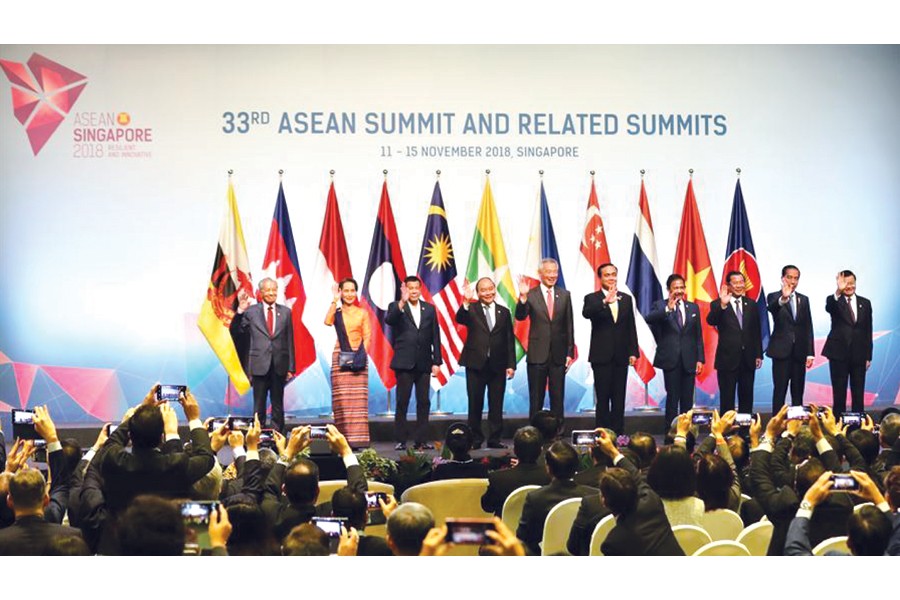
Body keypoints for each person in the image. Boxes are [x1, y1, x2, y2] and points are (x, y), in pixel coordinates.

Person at [100, 386, 216, 512]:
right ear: (162, 437)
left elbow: (113, 440)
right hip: (167, 524)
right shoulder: (176, 467)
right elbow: (206, 457)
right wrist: (192, 419)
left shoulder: (114, 460)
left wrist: (142, 411)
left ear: (130, 436)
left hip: (124, 524)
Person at [592, 429, 684, 556]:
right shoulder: (651, 502)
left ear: (604, 501)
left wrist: (613, 452)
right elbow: (636, 477)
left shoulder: (613, 542)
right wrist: (613, 452)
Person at [456, 277, 516, 449]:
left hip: (498, 365)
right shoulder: (471, 309)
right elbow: (460, 318)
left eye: (490, 289)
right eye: (483, 290)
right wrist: (466, 301)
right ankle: (475, 439)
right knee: (475, 403)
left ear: (495, 289)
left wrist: (511, 364)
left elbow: (509, 339)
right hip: (475, 364)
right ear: (478, 293)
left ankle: (494, 439)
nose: (488, 293)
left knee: (496, 403)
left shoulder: (504, 312)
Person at [385, 275, 442, 451]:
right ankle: (401, 440)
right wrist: (402, 302)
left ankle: (421, 440)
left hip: (424, 362)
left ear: (420, 289)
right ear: (405, 289)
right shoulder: (396, 306)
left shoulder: (429, 309)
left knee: (424, 402)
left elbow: (435, 335)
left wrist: (437, 361)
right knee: (402, 401)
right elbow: (389, 320)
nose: (414, 291)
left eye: (417, 288)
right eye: (410, 288)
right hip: (404, 362)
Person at [515, 258, 575, 423]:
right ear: (540, 273)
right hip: (537, 354)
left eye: (555, 272)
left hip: (558, 355)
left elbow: (569, 325)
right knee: (536, 399)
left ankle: (558, 432)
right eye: (548, 272)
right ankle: (534, 432)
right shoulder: (531, 294)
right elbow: (520, 316)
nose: (552, 275)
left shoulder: (565, 295)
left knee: (558, 398)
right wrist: (523, 297)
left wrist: (569, 352)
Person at [233, 277, 295, 433]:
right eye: (268, 290)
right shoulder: (251, 311)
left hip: (279, 364)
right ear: (261, 292)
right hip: (259, 364)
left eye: (274, 289)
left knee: (278, 404)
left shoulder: (286, 312)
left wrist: (291, 367)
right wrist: (240, 311)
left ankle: (277, 436)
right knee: (259, 405)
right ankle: (257, 436)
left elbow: (289, 340)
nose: (271, 293)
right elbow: (237, 331)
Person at [582, 263, 638, 434]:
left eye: (613, 274)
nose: (611, 278)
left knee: (619, 398)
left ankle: (619, 434)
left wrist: (633, 351)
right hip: (601, 356)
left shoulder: (626, 298)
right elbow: (587, 313)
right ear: (600, 278)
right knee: (603, 398)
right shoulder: (592, 298)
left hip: (621, 355)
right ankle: (602, 434)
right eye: (607, 275)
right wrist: (605, 302)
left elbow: (630, 326)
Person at [516, 440, 597, 555]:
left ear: (548, 468)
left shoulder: (535, 498)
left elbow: (523, 538)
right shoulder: (594, 496)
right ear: (576, 467)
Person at [645, 273, 704, 430]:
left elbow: (698, 335)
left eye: (681, 287)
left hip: (689, 359)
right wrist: (668, 309)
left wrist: (700, 359)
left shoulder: (693, 307)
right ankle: (670, 434)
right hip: (671, 359)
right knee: (672, 398)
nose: (679, 291)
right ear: (669, 290)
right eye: (675, 288)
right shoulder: (660, 305)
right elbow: (649, 318)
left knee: (687, 400)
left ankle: (688, 434)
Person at [707, 271, 763, 414]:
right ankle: (727, 427)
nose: (739, 285)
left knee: (747, 397)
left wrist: (758, 354)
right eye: (735, 283)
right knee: (727, 398)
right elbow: (711, 320)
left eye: (741, 282)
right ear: (728, 285)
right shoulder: (718, 304)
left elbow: (756, 331)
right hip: (727, 359)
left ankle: (745, 426)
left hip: (748, 359)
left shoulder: (751, 304)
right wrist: (722, 304)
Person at [325, 278, 372, 447]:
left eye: (352, 291)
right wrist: (334, 300)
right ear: (341, 292)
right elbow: (327, 321)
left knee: (358, 403)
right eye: (346, 291)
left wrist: (359, 357)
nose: (350, 294)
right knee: (342, 402)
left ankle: (359, 440)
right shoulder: (337, 312)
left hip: (359, 356)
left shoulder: (362, 313)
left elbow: (367, 337)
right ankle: (341, 440)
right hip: (340, 357)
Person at [822, 270, 873, 417]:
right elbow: (830, 307)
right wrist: (838, 290)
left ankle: (859, 425)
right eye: (846, 284)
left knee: (858, 393)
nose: (849, 286)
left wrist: (868, 356)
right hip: (838, 354)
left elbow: (868, 330)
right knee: (839, 393)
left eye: (851, 283)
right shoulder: (835, 301)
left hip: (859, 355)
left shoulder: (865, 303)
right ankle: (838, 424)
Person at [0, 468, 85, 555]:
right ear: (46, 499)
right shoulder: (72, 537)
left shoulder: (2, 541)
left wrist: (8, 469)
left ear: (9, 501)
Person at [766, 265, 815, 411]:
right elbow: (773, 308)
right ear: (782, 278)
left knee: (798, 391)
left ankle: (797, 422)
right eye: (789, 277)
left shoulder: (804, 299)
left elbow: (808, 326)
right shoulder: (774, 296)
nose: (793, 281)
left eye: (796, 278)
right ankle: (777, 423)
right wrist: (784, 298)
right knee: (779, 390)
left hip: (799, 352)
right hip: (781, 351)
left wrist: (810, 353)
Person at [481, 426, 551, 516]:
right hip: (539, 525)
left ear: (514, 450)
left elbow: (487, 507)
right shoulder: (550, 477)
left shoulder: (498, 478)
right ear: (541, 450)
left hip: (505, 525)